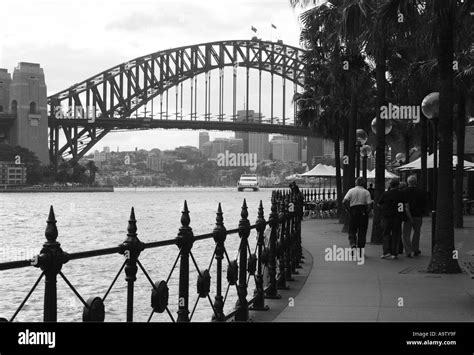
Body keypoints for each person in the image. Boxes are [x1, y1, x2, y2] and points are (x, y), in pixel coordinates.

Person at [378, 179, 413, 260]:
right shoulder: (402, 194)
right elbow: (406, 205)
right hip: (398, 217)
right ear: (398, 185)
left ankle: (386, 252)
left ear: (390, 185)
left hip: (387, 217)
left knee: (386, 234)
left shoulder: (385, 194)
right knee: (396, 234)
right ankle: (394, 253)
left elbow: (378, 204)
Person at [343, 177, 372, 253]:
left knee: (352, 230)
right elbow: (369, 205)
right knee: (362, 231)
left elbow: (344, 201)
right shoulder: (366, 192)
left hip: (353, 211)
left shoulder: (351, 190)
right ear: (363, 183)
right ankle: (360, 249)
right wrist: (366, 212)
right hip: (363, 212)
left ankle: (353, 243)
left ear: (356, 183)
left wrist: (348, 210)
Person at [402, 175, 428, 257]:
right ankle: (415, 249)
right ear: (416, 182)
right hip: (418, 215)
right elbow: (425, 203)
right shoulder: (421, 192)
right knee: (417, 233)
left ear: (408, 182)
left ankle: (408, 251)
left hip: (407, 216)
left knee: (406, 234)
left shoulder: (404, 192)